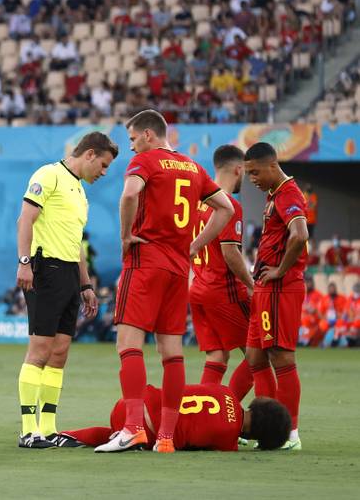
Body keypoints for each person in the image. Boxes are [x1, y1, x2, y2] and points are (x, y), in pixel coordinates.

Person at [97, 110, 234, 454]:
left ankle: (132, 428)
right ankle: (167, 438)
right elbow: (226, 209)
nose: (130, 148)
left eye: (131, 140)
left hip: (145, 262)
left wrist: (126, 235)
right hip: (177, 268)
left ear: (147, 134)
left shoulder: (147, 162)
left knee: (128, 344)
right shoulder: (193, 167)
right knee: (171, 352)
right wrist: (195, 245)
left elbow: (129, 195)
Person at [15, 131, 119, 448]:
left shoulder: (78, 190)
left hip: (70, 275)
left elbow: (76, 244)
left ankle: (48, 428)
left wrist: (85, 283)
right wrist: (24, 262)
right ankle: (27, 430)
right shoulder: (49, 175)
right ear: (89, 154)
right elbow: (25, 220)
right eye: (102, 165)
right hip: (45, 270)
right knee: (40, 350)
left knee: (59, 354)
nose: (103, 173)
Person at [244, 141, 309, 451]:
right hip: (265, 288)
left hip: (280, 288)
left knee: (281, 357)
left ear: (272, 165)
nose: (252, 179)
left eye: (255, 172)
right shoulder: (274, 196)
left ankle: (290, 433)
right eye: (248, 174)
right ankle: (266, 428)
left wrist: (281, 270)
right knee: (255, 356)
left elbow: (300, 235)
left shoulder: (289, 194)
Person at [189, 145, 255, 401]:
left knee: (217, 355)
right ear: (239, 169)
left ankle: (207, 415)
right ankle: (229, 413)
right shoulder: (228, 205)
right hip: (223, 290)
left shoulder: (198, 204)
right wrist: (251, 284)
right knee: (257, 355)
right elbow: (230, 254)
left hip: (198, 290)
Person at [59, 384, 291, 452]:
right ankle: (71, 437)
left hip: (131, 404)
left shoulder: (226, 391)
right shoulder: (228, 442)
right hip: (148, 431)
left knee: (118, 433)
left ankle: (62, 435)